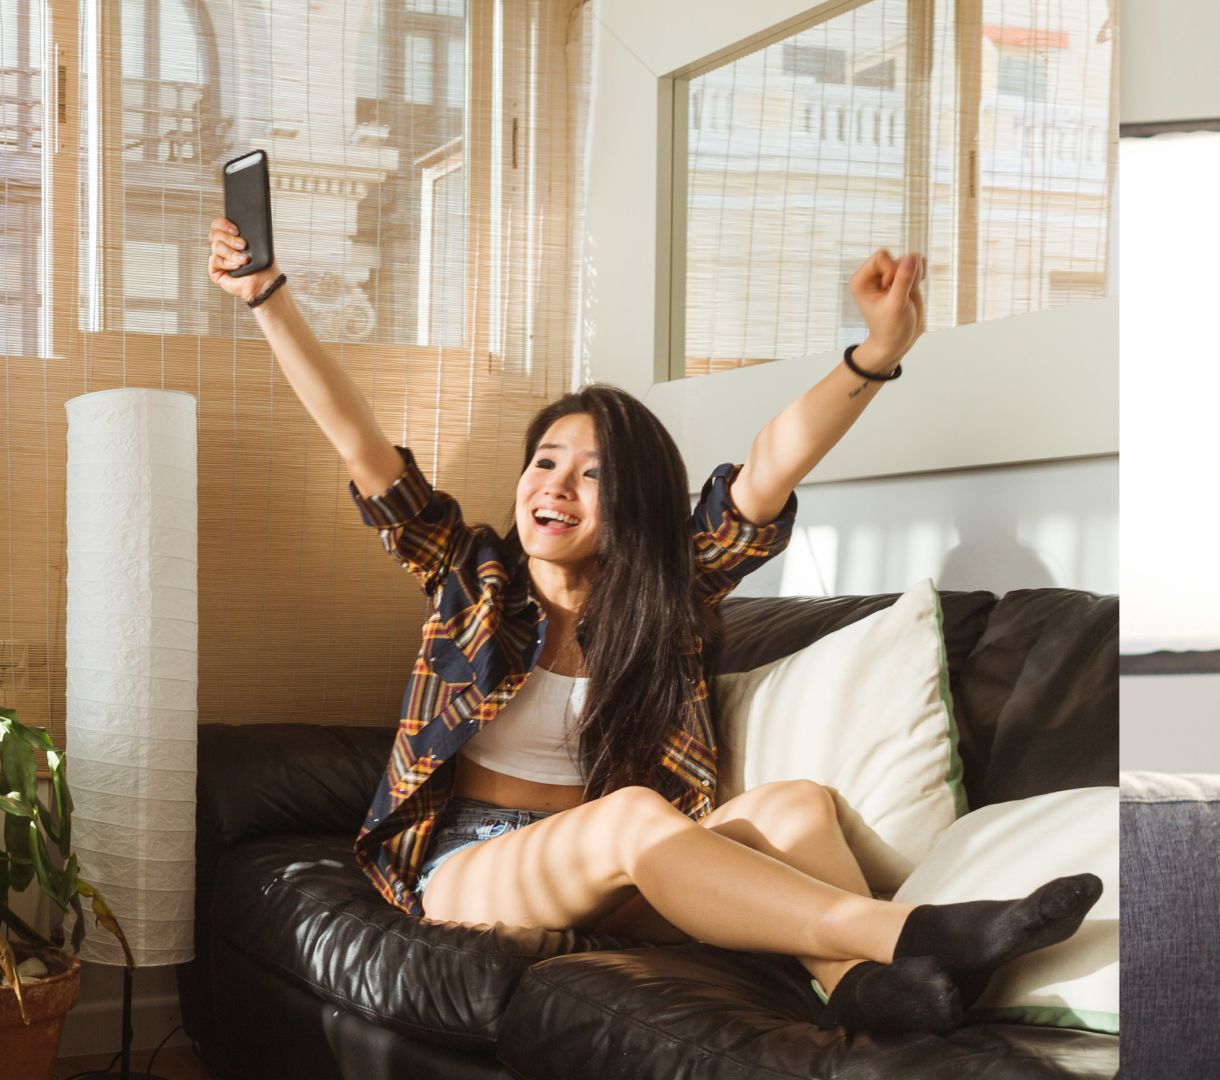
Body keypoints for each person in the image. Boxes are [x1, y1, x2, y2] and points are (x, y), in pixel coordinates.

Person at [204, 220, 1100, 1033]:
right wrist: (267, 298)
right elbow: (361, 444)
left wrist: (874, 354)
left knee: (795, 804)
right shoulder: (469, 577)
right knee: (633, 815)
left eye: (592, 473)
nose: (556, 484)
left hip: (624, 876)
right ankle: (908, 933)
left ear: (631, 504)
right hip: (472, 868)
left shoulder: (665, 599)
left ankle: (856, 985)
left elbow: (767, 470)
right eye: (545, 461)